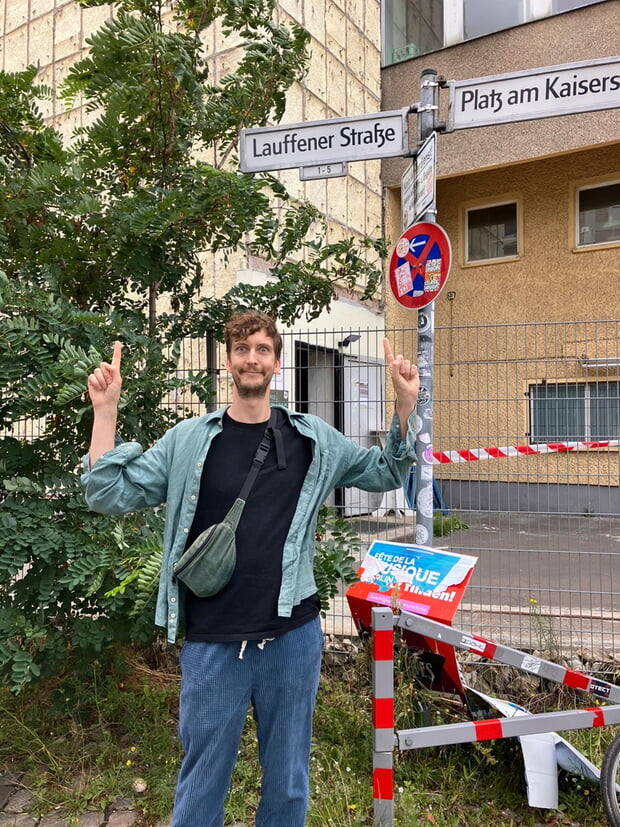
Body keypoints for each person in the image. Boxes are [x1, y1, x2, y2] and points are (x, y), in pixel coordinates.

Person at [82, 311, 419, 827]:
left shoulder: (312, 439)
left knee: (287, 784)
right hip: (214, 642)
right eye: (242, 350)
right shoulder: (189, 441)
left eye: (262, 349)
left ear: (277, 363)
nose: (252, 359)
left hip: (292, 638)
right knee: (201, 785)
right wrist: (105, 413)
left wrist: (404, 404)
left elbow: (388, 470)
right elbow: (108, 493)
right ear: (228, 363)